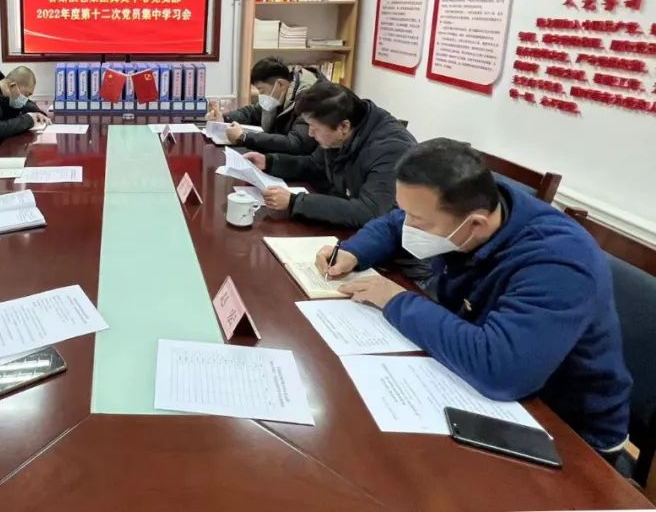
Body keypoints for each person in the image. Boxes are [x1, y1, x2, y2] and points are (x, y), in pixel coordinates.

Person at [317, 138, 632, 458]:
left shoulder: (559, 262)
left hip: (568, 433)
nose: (406, 225)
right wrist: (354, 252)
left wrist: (396, 300)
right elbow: (394, 224)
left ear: (476, 225)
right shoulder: (470, 205)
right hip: (479, 373)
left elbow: (502, 371)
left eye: (417, 220)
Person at [244, 81, 416, 229]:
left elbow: (369, 212)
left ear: (344, 127)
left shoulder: (391, 150)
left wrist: (295, 202)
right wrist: (270, 162)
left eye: (315, 128)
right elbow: (314, 165)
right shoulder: (343, 130)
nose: (310, 134)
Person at [207, 57, 322, 154]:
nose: (260, 95)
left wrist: (245, 137)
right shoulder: (281, 95)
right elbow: (252, 112)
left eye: (261, 90)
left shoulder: (309, 101)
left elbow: (296, 143)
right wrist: (224, 118)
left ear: (280, 84)